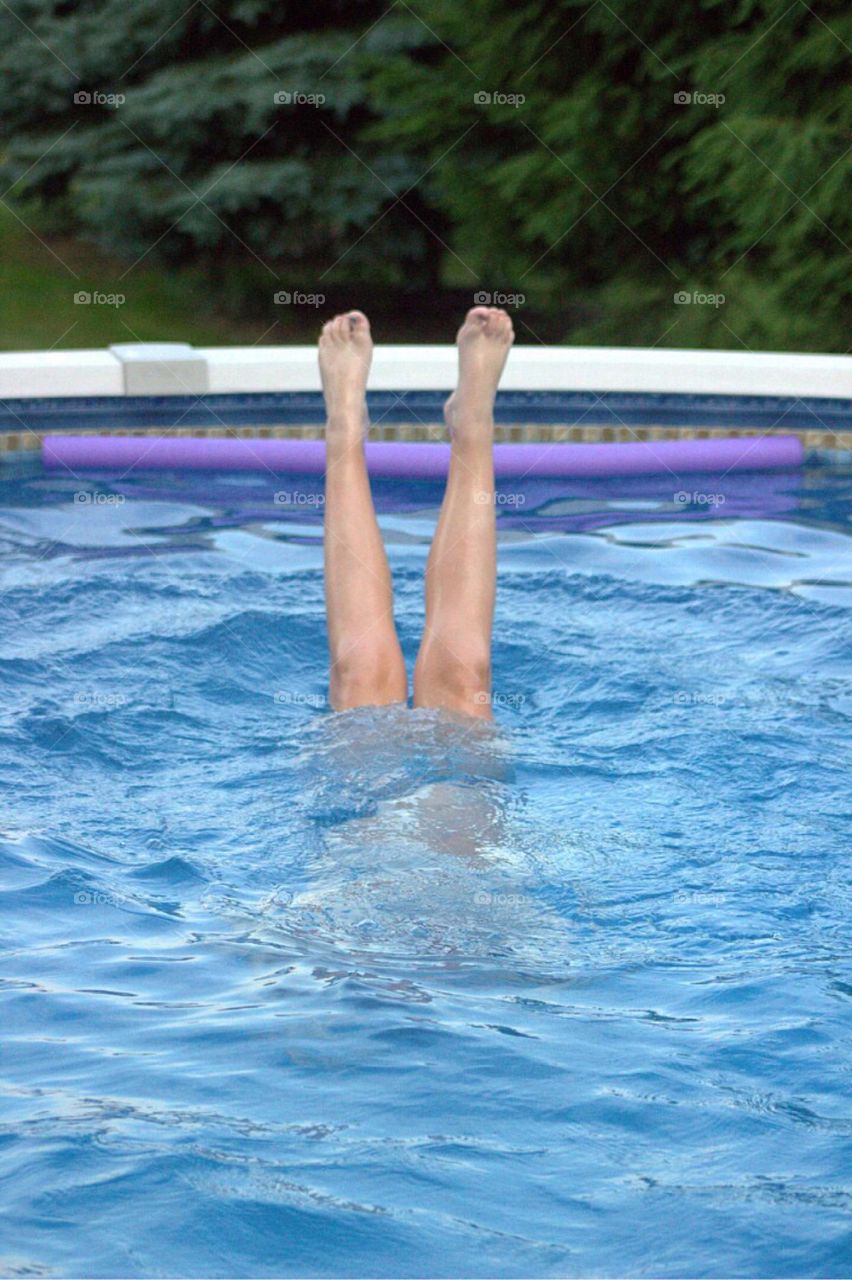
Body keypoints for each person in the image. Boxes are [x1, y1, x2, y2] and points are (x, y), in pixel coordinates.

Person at [318, 305, 514, 720]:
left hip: (366, 778)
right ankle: (350, 426)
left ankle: (351, 430)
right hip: (454, 775)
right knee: (462, 676)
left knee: (362, 675)